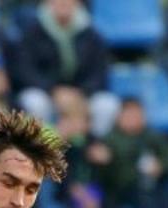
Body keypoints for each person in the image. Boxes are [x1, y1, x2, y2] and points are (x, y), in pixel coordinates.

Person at [9, 0, 118, 136]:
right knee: (34, 102)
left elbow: (100, 71)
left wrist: (82, 93)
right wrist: (53, 91)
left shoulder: (91, 34)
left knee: (106, 105)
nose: (63, 3)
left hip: (81, 95)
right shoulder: (32, 32)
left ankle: (93, 147)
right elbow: (24, 70)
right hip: (46, 93)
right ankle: (42, 149)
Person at [89, 96, 168, 208]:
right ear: (120, 117)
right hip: (121, 188)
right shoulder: (110, 139)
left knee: (161, 190)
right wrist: (103, 162)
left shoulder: (152, 136)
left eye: (137, 114)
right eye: (129, 115)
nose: (134, 119)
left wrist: (161, 166)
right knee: (132, 193)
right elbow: (104, 176)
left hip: (150, 185)